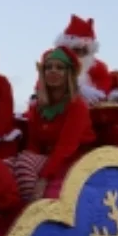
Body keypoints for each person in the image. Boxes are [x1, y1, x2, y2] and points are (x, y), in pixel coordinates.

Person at [19, 47, 97, 201]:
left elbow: (66, 147)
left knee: (25, 164)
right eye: (48, 67)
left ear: (69, 73)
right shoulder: (37, 107)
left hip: (72, 161)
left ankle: (31, 212)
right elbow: (33, 143)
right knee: (8, 164)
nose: (53, 71)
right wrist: (28, 156)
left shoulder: (77, 106)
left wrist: (44, 178)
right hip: (47, 159)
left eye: (59, 67)